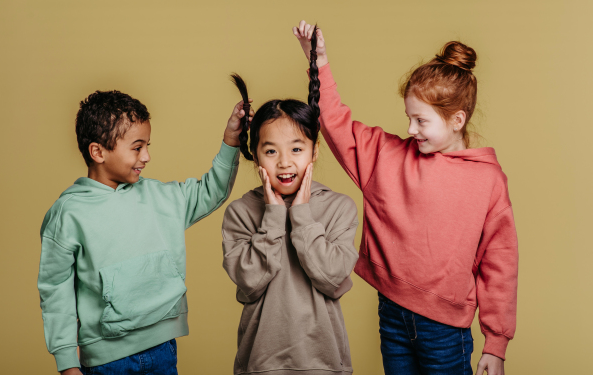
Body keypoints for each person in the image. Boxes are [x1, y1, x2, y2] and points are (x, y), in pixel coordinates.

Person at [293, 21, 518, 375]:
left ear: (457, 120)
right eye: (408, 118)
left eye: (421, 121)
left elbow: (500, 263)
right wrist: (317, 62)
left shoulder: (487, 180)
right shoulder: (386, 155)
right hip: (392, 315)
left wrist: (496, 343)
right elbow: (335, 122)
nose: (411, 130)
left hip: (446, 331)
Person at [37, 89, 251, 374]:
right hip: (106, 361)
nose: (147, 156)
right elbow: (55, 292)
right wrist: (67, 363)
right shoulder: (69, 214)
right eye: (137, 147)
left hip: (163, 349)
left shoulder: (159, 196)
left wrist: (231, 141)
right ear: (98, 151)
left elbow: (211, 191)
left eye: (147, 145)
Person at [221, 31, 359, 375]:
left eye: (296, 149)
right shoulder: (240, 213)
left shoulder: (340, 208)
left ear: (314, 150)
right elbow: (249, 282)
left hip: (324, 364)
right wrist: (272, 216)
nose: (284, 162)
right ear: (256, 156)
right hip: (260, 364)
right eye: (271, 151)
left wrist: (300, 213)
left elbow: (330, 278)